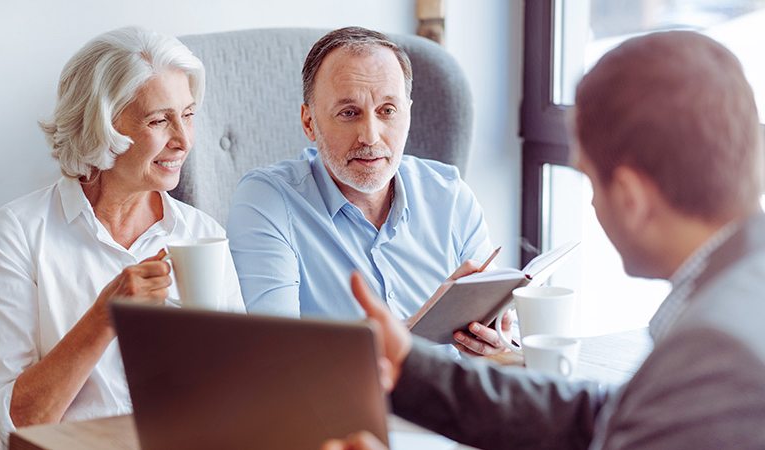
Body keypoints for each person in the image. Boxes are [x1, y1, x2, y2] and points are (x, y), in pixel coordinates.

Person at [321, 31, 765, 450]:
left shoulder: (716, 352)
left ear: (630, 198)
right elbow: (604, 417)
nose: (592, 205)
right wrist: (412, 369)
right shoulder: (741, 289)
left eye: (590, 181)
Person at [0, 27, 244, 450]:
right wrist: (103, 318)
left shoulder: (203, 236)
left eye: (188, 114)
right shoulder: (18, 235)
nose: (184, 140)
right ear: (102, 126)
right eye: (159, 120)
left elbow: (243, 399)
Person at [227, 27, 509, 356]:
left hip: (453, 403)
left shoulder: (450, 195)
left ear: (408, 114)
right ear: (309, 123)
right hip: (339, 407)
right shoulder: (267, 201)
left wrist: (495, 342)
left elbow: (501, 343)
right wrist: (426, 325)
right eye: (349, 113)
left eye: (387, 111)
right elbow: (276, 355)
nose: (370, 136)